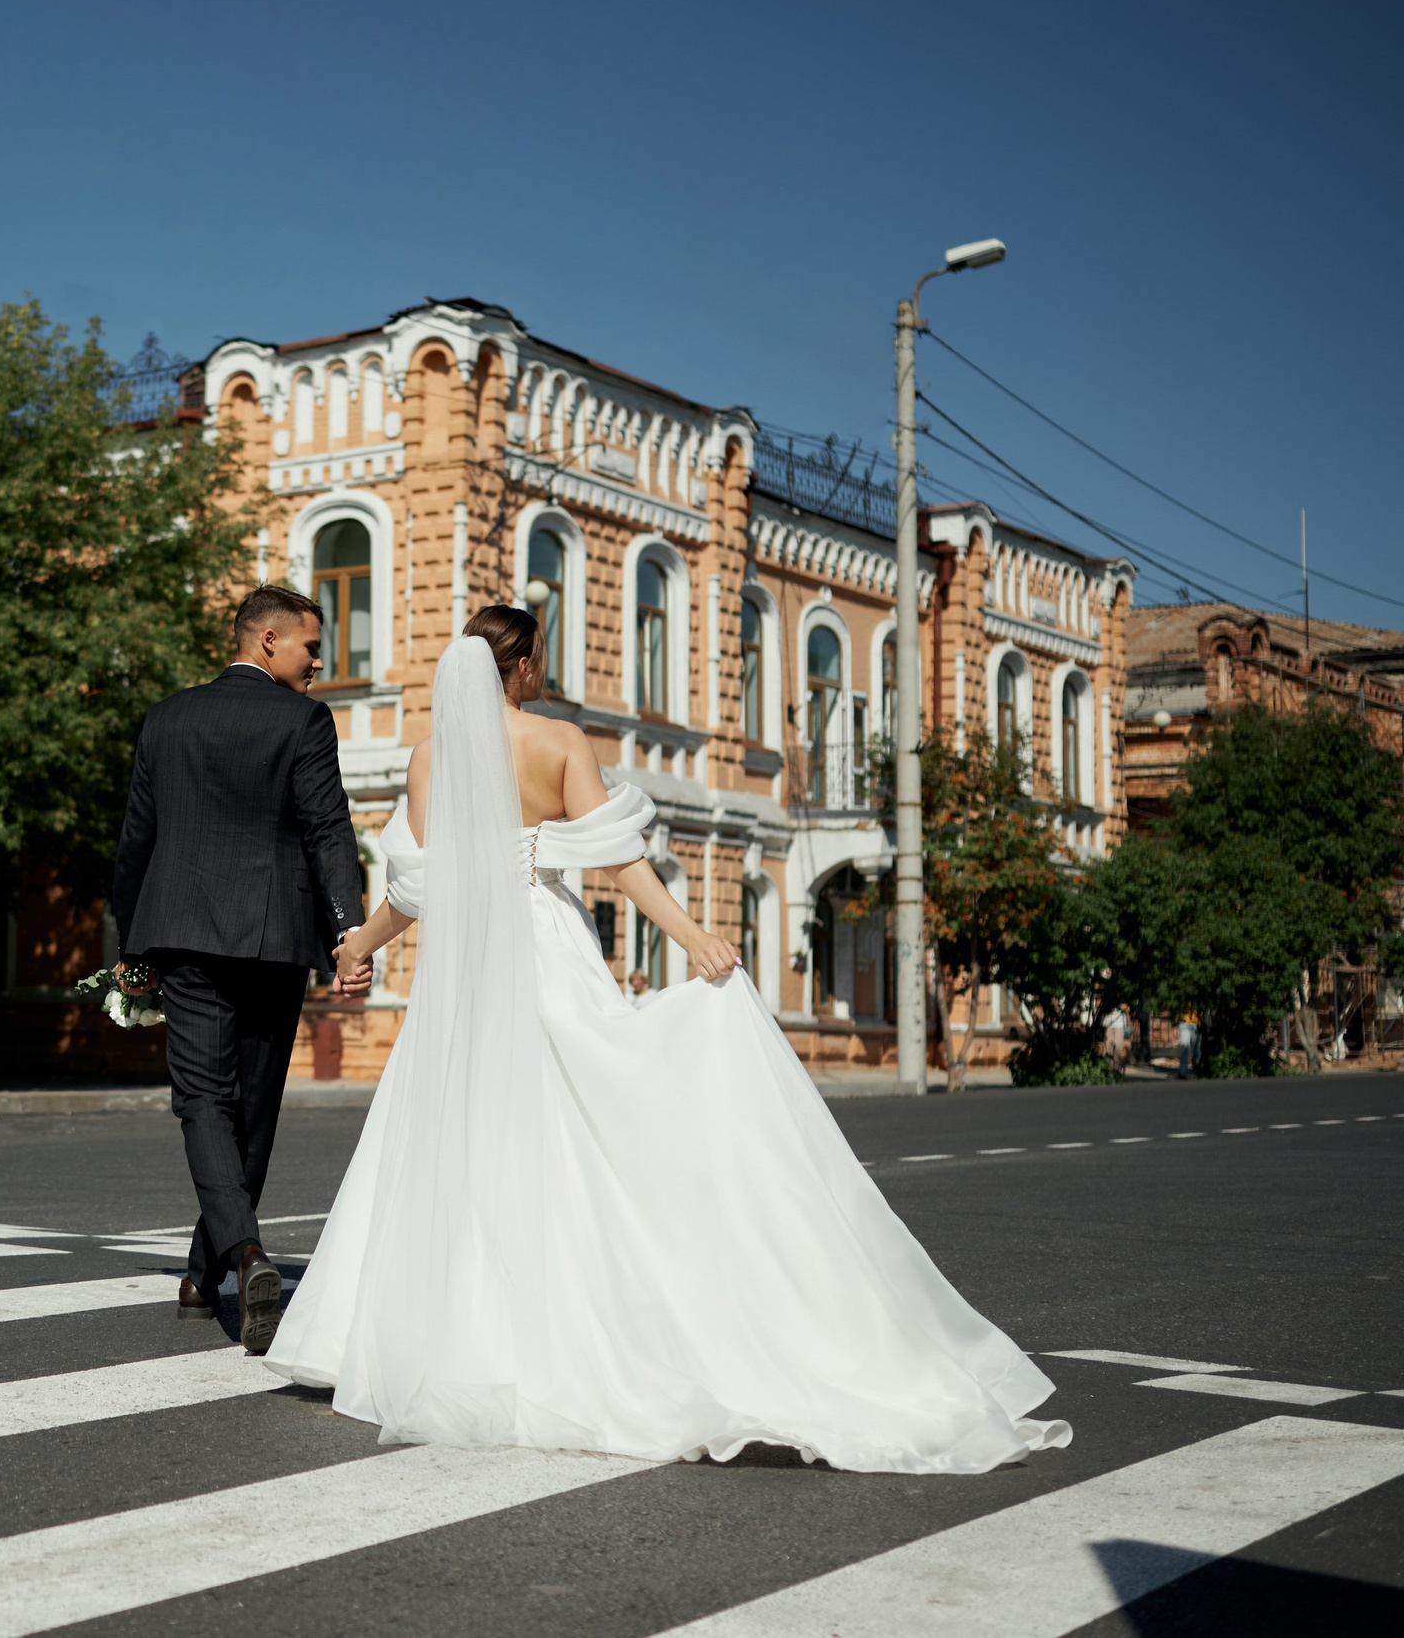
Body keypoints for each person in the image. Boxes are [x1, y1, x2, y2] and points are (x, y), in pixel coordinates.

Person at [264, 609, 1069, 1474]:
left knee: (463, 1139)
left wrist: (362, 943)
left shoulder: (429, 759)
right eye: (542, 656)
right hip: (541, 950)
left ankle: (461, 1334)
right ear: (525, 662)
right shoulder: (557, 741)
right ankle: (587, 1324)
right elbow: (621, 859)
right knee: (579, 1126)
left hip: (461, 968)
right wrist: (691, 937)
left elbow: (422, 888)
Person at [111, 585, 372, 1352]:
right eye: (309, 645)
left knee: (203, 1098)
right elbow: (329, 830)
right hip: (273, 936)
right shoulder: (303, 721)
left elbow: (137, 840)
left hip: (183, 932)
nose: (319, 660)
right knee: (252, 1105)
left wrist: (131, 946)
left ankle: (215, 1265)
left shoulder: (167, 717)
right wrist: (347, 933)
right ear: (265, 641)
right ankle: (237, 1257)